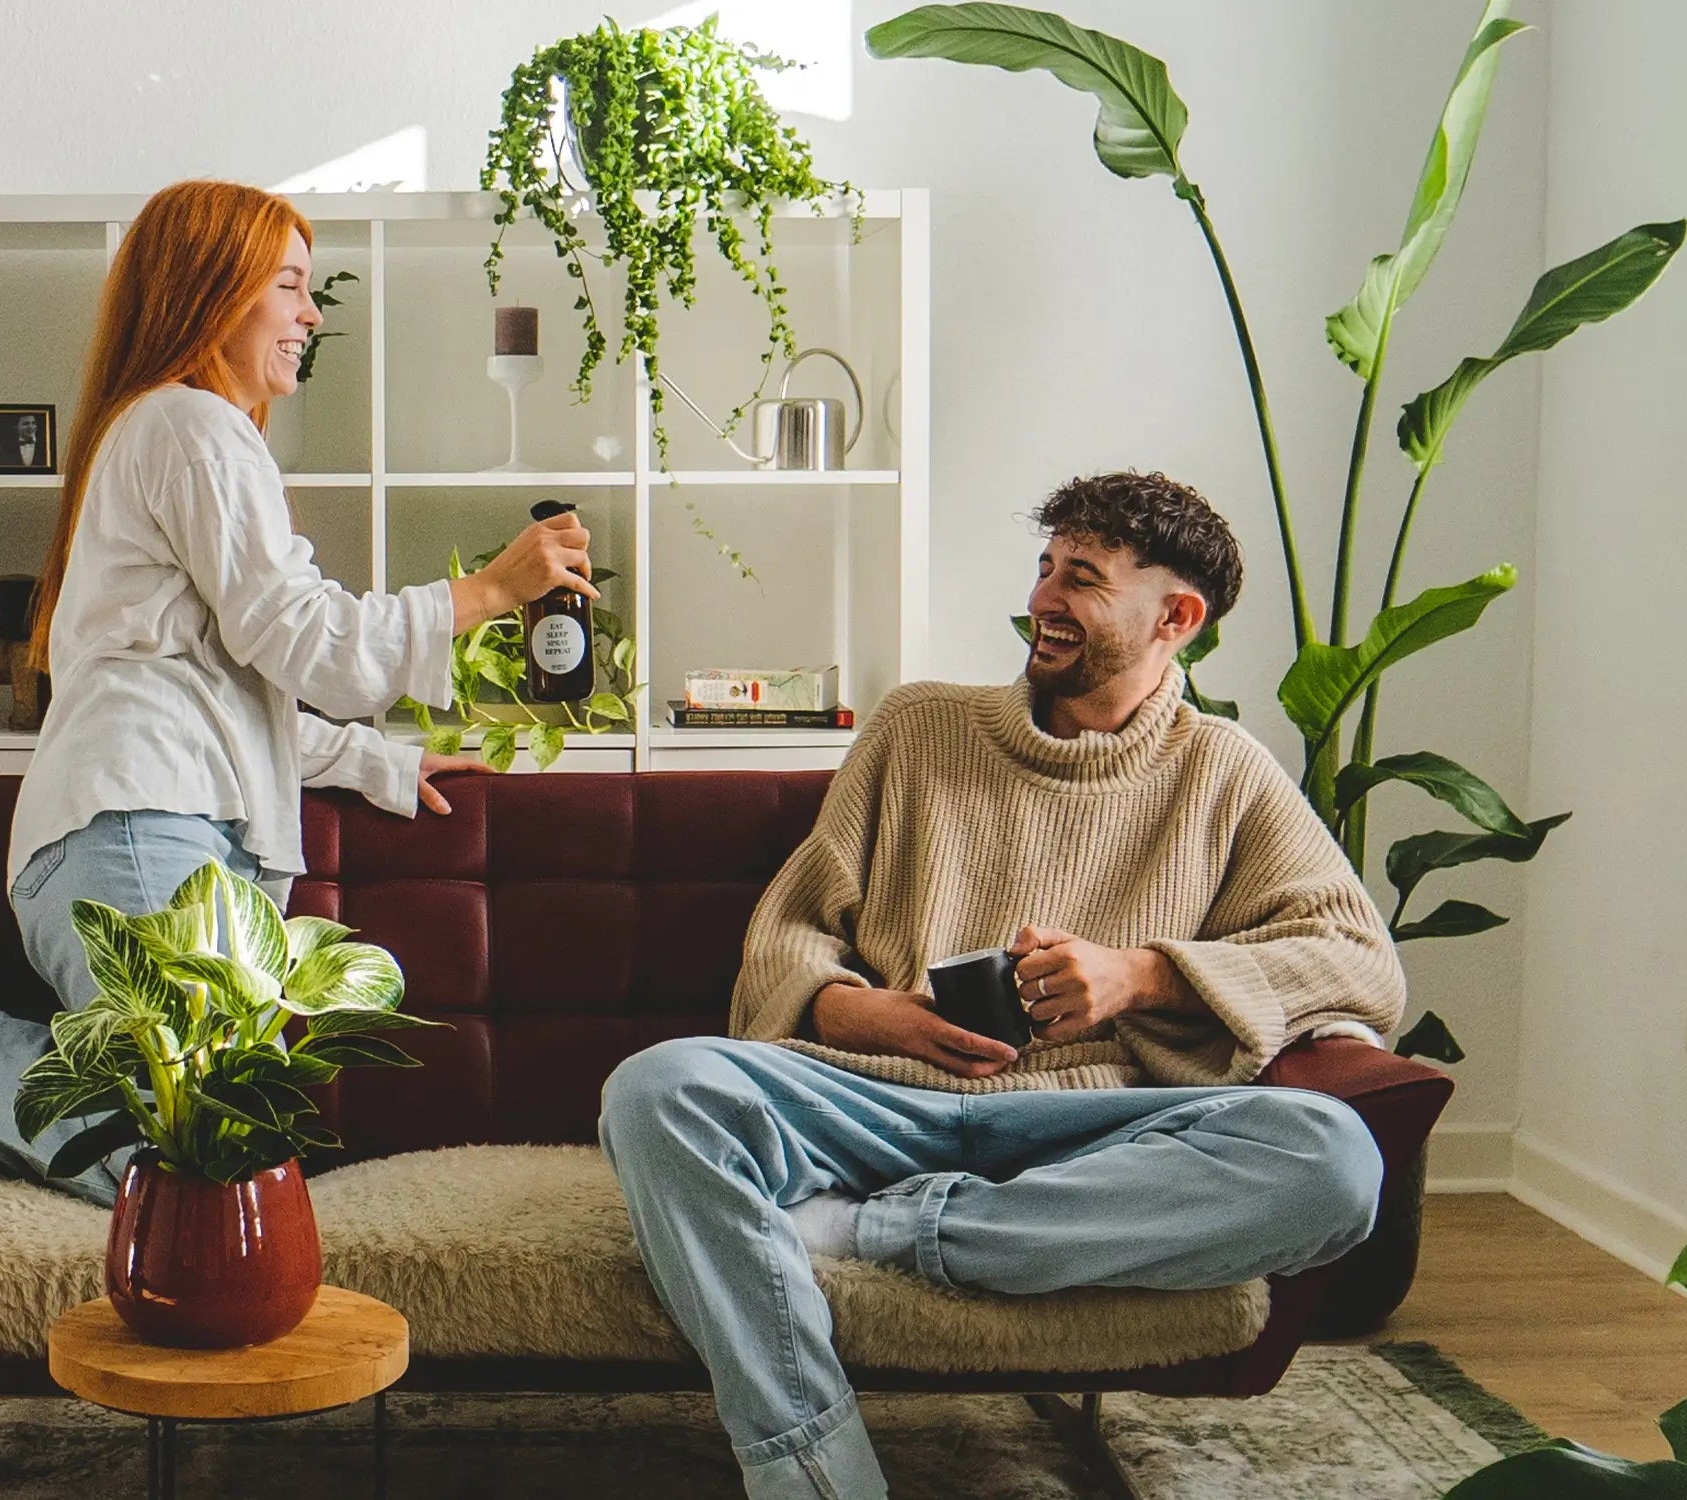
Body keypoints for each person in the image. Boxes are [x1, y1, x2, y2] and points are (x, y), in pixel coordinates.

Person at [595, 471, 1404, 1500]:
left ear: (1177, 617)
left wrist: (1143, 976)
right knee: (658, 1090)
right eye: (1045, 567)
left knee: (1334, 1163)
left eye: (1084, 578)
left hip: (1095, 1132)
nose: (1045, 600)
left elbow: (1362, 966)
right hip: (876, 1100)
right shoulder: (918, 729)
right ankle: (815, 1477)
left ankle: (874, 1231)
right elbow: (790, 930)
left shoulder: (1228, 774)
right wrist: (861, 1010)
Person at [0, 179, 596, 1201]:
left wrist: (377, 763)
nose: (311, 314)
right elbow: (311, 643)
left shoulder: (173, 434)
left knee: (209, 1162)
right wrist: (491, 589)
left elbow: (226, 686)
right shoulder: (190, 429)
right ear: (215, 291)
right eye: (290, 285)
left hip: (141, 831)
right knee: (199, 1173)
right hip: (138, 831)